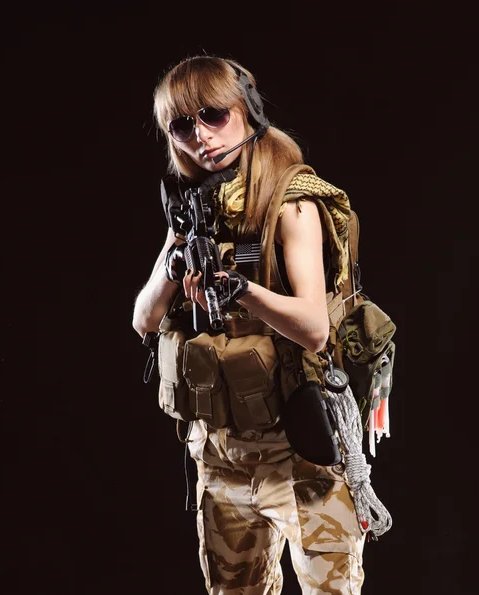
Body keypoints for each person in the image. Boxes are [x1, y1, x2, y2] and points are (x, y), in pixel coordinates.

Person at [132, 55, 366, 594]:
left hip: (298, 457)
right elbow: (143, 319)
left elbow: (313, 328)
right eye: (182, 125)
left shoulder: (289, 202)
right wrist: (173, 267)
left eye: (213, 115)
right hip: (220, 456)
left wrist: (240, 289)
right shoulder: (193, 209)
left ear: (247, 112)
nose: (200, 137)